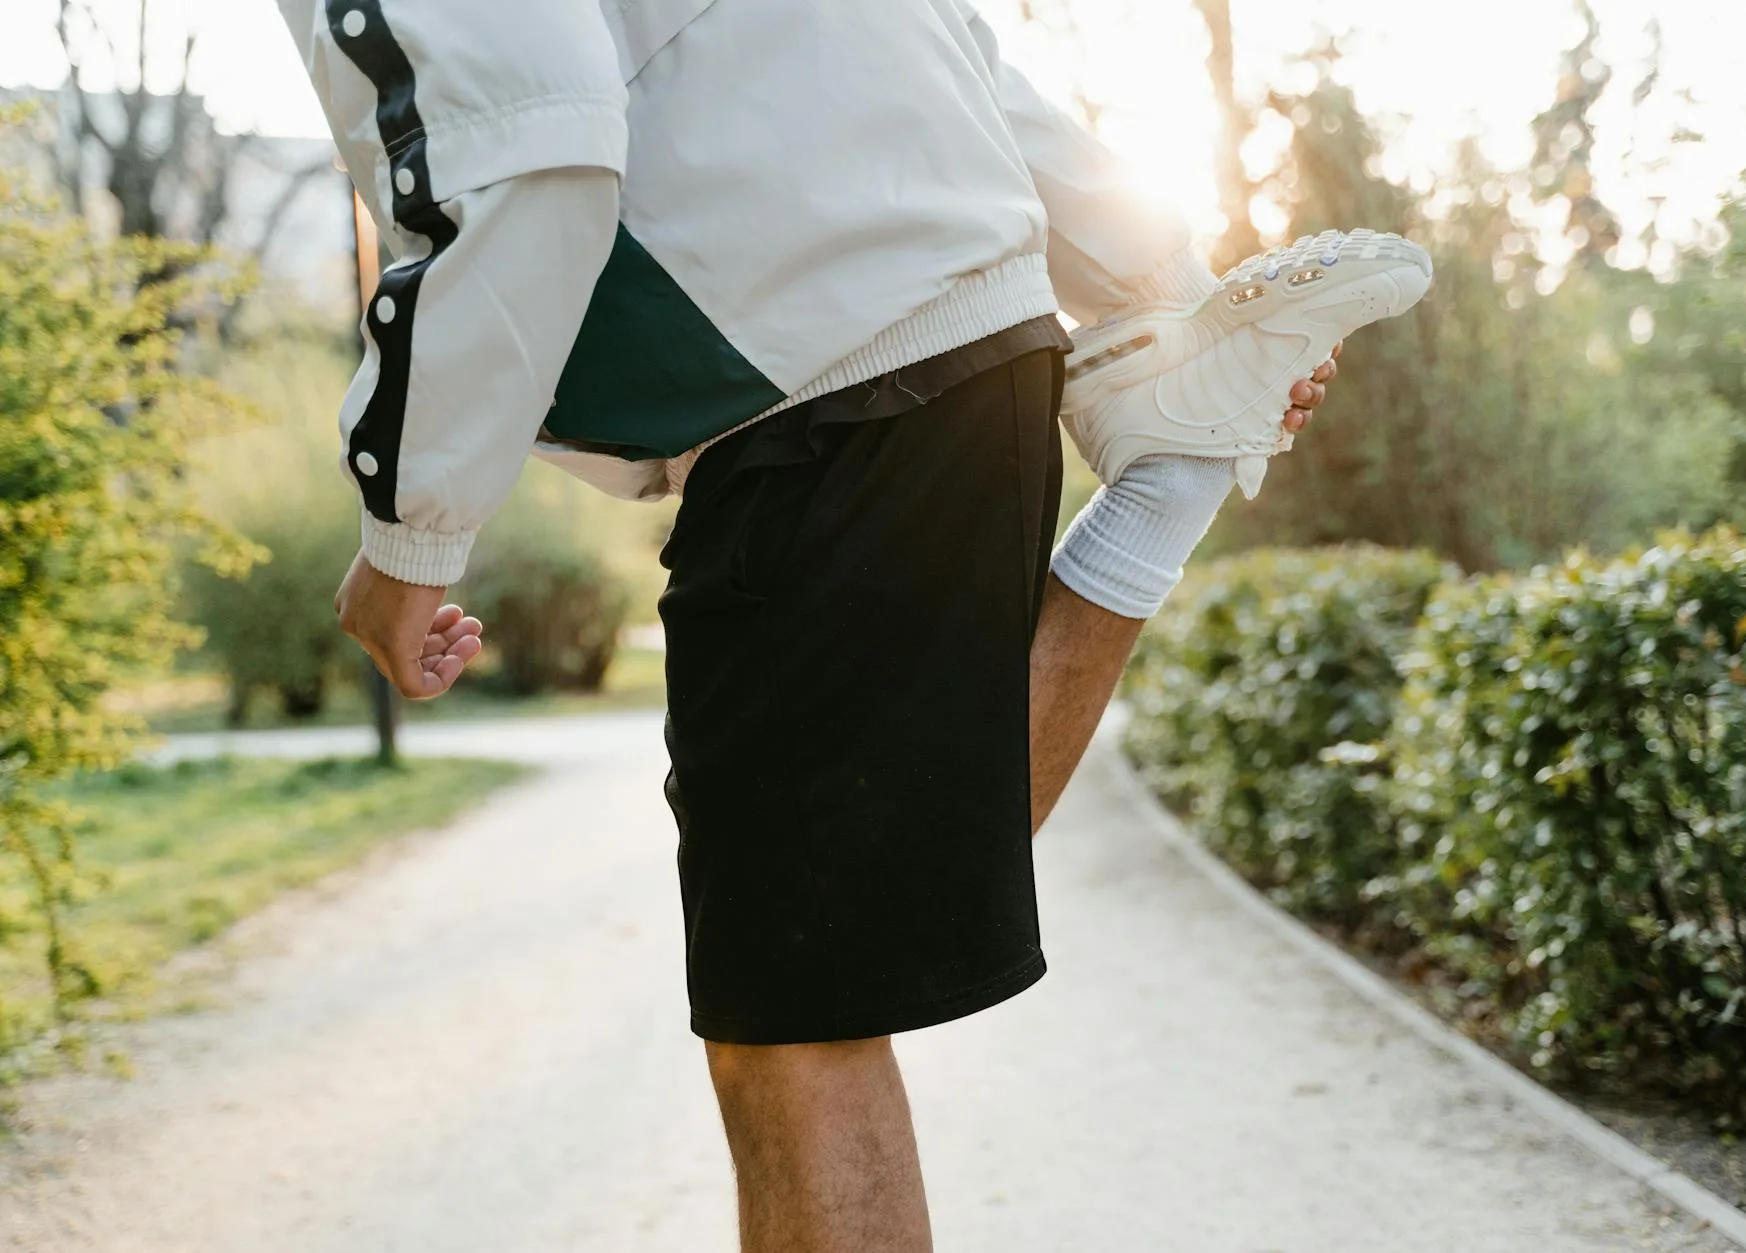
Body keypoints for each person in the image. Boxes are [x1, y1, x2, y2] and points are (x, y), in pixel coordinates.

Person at [278, 0, 1430, 1247]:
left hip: (812, 374)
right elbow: (953, 49)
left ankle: (1173, 464)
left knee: (794, 1024)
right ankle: (1168, 467)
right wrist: (1163, 296)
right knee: (835, 942)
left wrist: (407, 540)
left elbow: (529, 156)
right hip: (969, 330)